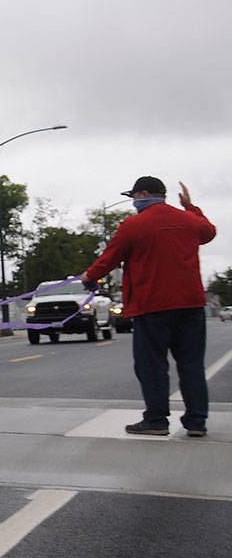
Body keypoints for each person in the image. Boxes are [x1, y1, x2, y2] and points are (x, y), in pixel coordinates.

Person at [80, 177, 217, 437]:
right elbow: (209, 232)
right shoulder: (189, 221)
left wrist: (89, 277)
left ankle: (156, 420)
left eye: (134, 196)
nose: (134, 201)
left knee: (151, 365)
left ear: (143, 193)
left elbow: (110, 258)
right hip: (190, 304)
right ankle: (197, 422)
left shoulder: (133, 225)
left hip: (151, 305)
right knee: (191, 365)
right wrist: (190, 207)